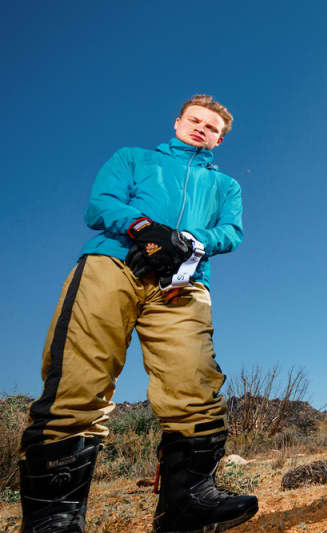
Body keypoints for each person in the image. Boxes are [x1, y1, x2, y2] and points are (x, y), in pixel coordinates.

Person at [18, 95, 257, 532]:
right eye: (195, 120)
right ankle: (54, 518)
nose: (201, 129)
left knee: (194, 381)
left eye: (212, 128)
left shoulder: (227, 187)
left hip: (183, 283)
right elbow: (101, 204)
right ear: (178, 122)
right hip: (113, 264)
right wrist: (147, 231)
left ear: (220, 141)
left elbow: (231, 232)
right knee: (79, 378)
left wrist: (183, 241)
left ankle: (186, 505)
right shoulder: (133, 158)